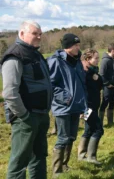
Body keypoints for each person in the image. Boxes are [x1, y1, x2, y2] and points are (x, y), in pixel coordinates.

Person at [1, 20, 52, 179]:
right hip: (26, 117)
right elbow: (10, 92)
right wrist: (24, 116)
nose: (38, 37)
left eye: (40, 34)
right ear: (21, 34)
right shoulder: (15, 55)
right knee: (19, 163)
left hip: (41, 114)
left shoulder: (35, 53)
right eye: (34, 34)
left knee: (39, 157)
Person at [47, 33, 87, 177]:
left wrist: (83, 103)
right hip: (63, 107)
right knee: (63, 138)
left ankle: (65, 165)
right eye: (76, 45)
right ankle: (56, 171)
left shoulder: (77, 61)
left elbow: (82, 83)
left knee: (71, 136)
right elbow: (50, 84)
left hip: (76, 106)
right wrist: (66, 98)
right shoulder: (55, 61)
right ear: (68, 46)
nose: (78, 47)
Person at [77, 48, 104, 165]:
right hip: (88, 107)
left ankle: (81, 155)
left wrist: (98, 78)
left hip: (93, 106)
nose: (98, 60)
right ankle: (91, 157)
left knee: (88, 129)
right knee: (98, 129)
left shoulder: (93, 71)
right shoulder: (84, 72)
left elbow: (100, 85)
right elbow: (83, 91)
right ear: (88, 59)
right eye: (96, 58)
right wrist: (82, 109)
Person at [99, 43, 114, 126]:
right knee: (105, 102)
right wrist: (107, 84)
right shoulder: (105, 60)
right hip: (107, 87)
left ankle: (110, 122)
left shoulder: (113, 59)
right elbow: (101, 74)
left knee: (112, 102)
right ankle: (99, 122)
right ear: (113, 51)